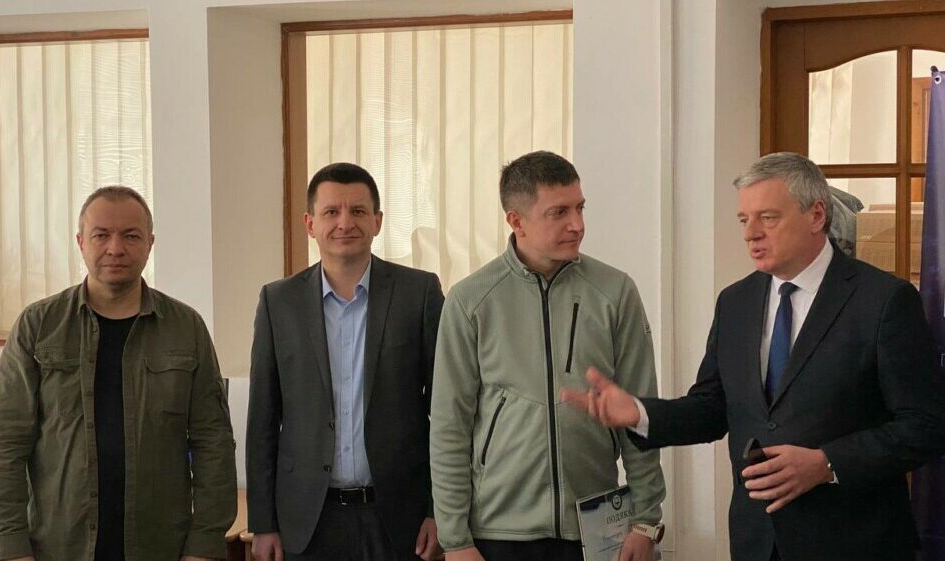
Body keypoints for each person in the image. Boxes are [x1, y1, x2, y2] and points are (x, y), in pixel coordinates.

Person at [563, 152, 945, 561]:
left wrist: (827, 463)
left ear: (816, 215)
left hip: (857, 543)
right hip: (758, 543)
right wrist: (639, 414)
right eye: (744, 220)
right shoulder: (736, 302)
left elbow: (926, 426)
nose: (751, 234)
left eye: (768, 218)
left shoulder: (884, 300)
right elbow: (712, 408)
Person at [430, 151, 666, 561]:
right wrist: (455, 540)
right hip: (497, 533)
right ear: (516, 221)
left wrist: (646, 520)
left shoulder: (615, 292)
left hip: (596, 528)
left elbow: (640, 413)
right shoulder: (470, 301)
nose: (577, 224)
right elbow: (450, 426)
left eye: (580, 208)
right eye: (559, 212)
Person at [0, 186, 237, 561]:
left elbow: (213, 443)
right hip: (56, 547)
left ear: (149, 244)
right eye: (101, 235)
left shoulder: (186, 328)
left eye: (131, 236)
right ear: (81, 242)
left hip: (160, 546)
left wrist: (205, 543)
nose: (115, 248)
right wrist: (10, 545)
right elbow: (4, 444)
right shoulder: (38, 326)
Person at [246, 163, 445, 561]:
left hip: (400, 518)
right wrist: (263, 523)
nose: (345, 223)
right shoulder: (278, 302)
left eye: (357, 211)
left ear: (377, 221)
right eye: (331, 212)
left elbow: (445, 411)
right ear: (310, 223)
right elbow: (263, 420)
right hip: (308, 521)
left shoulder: (418, 293)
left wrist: (438, 510)